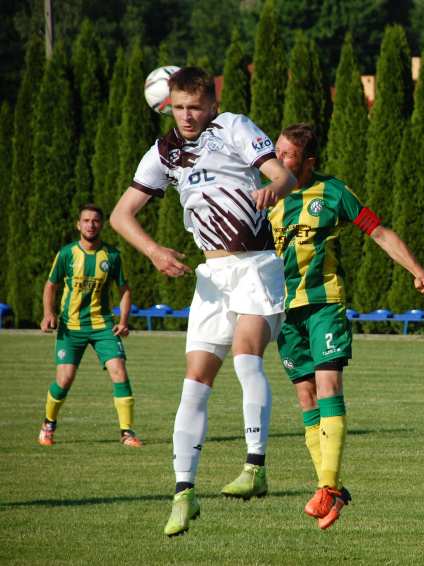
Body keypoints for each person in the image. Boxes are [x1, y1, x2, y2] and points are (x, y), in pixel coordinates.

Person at [110, 67, 298, 537]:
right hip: (211, 275)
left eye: (195, 106)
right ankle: (183, 493)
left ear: (211, 104)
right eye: (179, 107)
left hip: (256, 264)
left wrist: (274, 186)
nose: (187, 116)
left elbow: (284, 175)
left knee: (246, 355)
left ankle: (255, 468)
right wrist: (153, 251)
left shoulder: (233, 126)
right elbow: (121, 214)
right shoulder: (164, 151)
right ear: (167, 106)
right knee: (194, 382)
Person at [269, 124, 424, 530]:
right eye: (276, 152)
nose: (276, 161)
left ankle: (327, 486)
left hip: (323, 302)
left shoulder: (333, 193)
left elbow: (378, 231)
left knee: (328, 387)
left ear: (308, 162)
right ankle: (331, 489)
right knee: (306, 398)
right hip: (281, 310)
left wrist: (416, 269)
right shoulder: (262, 195)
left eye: (287, 155)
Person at [38, 204, 139, 448]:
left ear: (101, 225)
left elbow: (125, 290)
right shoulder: (67, 254)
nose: (90, 225)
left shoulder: (112, 256)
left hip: (103, 325)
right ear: (78, 224)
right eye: (86, 220)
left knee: (120, 372)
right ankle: (48, 425)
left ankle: (127, 433)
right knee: (64, 379)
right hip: (70, 327)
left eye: (95, 221)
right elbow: (51, 285)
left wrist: (124, 321)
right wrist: (48, 313)